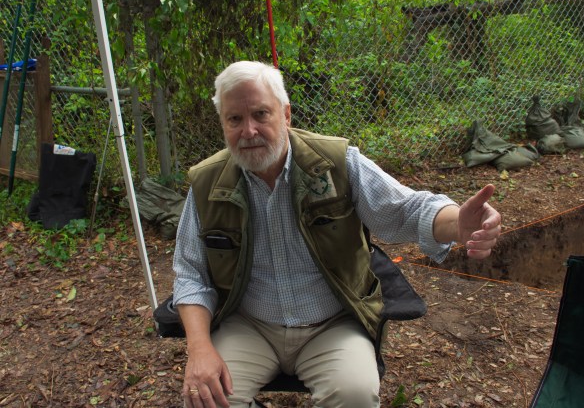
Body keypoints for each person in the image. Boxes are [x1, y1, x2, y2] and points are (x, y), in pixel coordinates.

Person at [173, 61, 502, 408]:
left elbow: (407, 209)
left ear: (286, 115)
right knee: (204, 399)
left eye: (261, 114)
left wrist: (458, 223)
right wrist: (199, 348)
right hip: (248, 325)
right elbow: (191, 273)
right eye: (234, 119)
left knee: (355, 396)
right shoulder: (207, 184)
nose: (249, 130)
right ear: (223, 124)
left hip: (332, 325)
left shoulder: (336, 163)